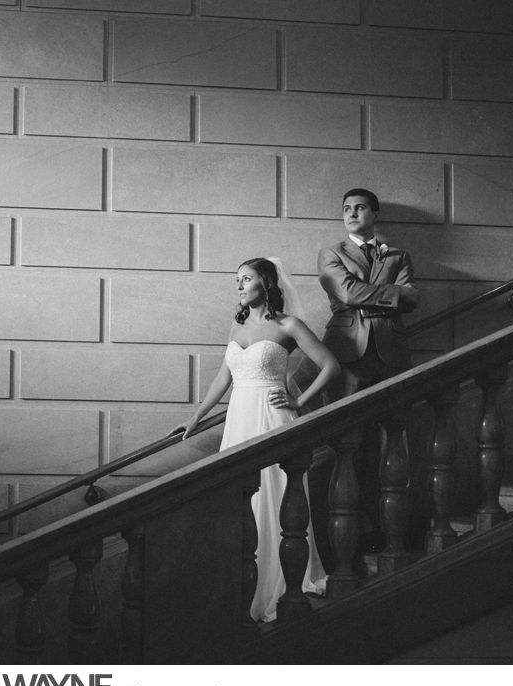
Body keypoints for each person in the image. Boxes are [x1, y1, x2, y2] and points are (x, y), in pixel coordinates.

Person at [171, 257, 340, 623]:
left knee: (274, 496)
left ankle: (281, 584)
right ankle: (244, 585)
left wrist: (298, 400)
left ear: (265, 282)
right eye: (237, 280)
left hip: (272, 418)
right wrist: (195, 418)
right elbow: (223, 377)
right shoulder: (237, 324)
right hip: (239, 421)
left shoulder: (288, 325)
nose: (239, 285)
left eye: (245, 279)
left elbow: (330, 365)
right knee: (239, 498)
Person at [316, 188, 420, 554]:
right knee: (347, 443)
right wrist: (391, 295)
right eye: (346, 209)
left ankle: (388, 531)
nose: (352, 213)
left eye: (359, 208)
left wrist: (371, 295)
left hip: (391, 353)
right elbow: (345, 293)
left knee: (393, 441)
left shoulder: (398, 254)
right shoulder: (331, 253)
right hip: (348, 353)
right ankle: (349, 539)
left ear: (374, 214)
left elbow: (413, 297)